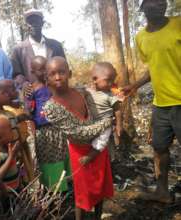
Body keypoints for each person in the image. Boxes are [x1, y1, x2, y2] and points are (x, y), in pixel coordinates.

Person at [121, 0, 181, 203]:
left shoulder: (178, 24)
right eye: (152, 1)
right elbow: (153, 66)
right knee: (159, 148)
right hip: (161, 104)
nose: (159, 4)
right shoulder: (141, 37)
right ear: (143, 7)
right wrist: (135, 85)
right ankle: (162, 192)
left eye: (161, 1)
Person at [42, 57, 114, 220]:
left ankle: (98, 216)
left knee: (100, 186)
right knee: (82, 193)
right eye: (52, 74)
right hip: (79, 152)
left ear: (70, 73)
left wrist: (102, 133)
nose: (58, 77)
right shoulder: (50, 108)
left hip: (98, 147)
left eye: (62, 72)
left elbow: (97, 112)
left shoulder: (82, 92)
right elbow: (78, 133)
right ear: (47, 79)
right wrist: (107, 123)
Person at [80, 62, 122, 165]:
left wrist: (119, 125)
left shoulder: (110, 95)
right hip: (92, 122)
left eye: (113, 80)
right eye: (108, 80)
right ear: (95, 79)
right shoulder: (88, 92)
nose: (111, 83)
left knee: (102, 140)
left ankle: (90, 156)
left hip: (105, 123)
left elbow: (118, 110)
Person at [11, 9, 65, 82]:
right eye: (30, 22)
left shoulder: (56, 46)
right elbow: (16, 74)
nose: (33, 25)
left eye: (36, 21)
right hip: (33, 92)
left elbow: (64, 68)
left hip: (56, 91)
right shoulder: (18, 50)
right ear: (26, 26)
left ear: (42, 23)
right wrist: (23, 83)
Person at [26, 56, 51, 127]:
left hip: (55, 122)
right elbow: (29, 109)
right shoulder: (31, 88)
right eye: (41, 70)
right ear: (32, 72)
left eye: (46, 68)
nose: (45, 72)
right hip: (41, 125)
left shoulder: (52, 84)